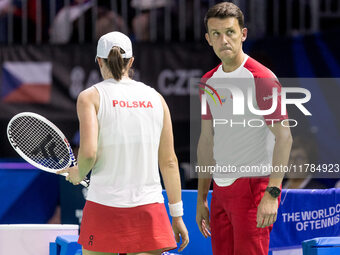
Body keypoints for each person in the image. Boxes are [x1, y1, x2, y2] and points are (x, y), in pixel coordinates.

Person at [57, 31, 189, 255]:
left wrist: (79, 173)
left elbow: (88, 154)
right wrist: (177, 215)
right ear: (132, 62)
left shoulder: (90, 97)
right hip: (149, 208)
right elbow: (169, 162)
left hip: (103, 207)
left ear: (99, 61)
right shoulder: (157, 98)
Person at [195, 2, 292, 255]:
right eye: (216, 34)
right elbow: (206, 140)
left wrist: (272, 194)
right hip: (220, 191)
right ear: (208, 39)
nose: (223, 39)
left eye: (230, 32)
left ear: (243, 34)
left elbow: (285, 138)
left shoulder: (262, 79)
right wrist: (202, 198)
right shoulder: (208, 81)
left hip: (254, 189)